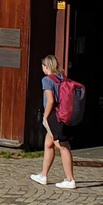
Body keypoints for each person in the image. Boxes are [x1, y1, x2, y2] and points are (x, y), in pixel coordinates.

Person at [30, 55, 77, 189]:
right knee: (48, 144)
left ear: (46, 66)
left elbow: (50, 100)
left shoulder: (46, 80)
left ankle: (70, 179)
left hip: (54, 116)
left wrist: (45, 116)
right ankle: (43, 175)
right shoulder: (62, 78)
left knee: (63, 146)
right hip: (63, 114)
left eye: (43, 66)